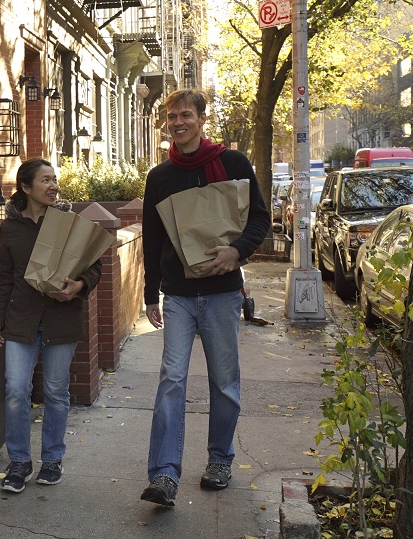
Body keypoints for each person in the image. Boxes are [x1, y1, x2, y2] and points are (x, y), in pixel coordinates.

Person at [140, 89, 270, 506]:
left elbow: (259, 218)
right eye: (171, 116)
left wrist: (238, 251)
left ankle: (219, 461)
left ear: (200, 119)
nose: (178, 122)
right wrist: (149, 295)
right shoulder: (159, 177)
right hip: (177, 294)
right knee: (171, 381)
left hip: (221, 294)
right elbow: (152, 237)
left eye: (186, 115)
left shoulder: (231, 164)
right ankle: (163, 475)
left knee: (224, 383)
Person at [0, 158, 102, 494]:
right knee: (15, 392)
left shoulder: (69, 223)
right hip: (20, 321)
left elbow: (93, 266)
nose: (53, 186)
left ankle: (52, 460)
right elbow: (3, 277)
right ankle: (19, 463)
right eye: (45, 180)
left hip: (60, 321)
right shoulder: (10, 229)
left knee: (55, 393)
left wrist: (80, 285)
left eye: (55, 180)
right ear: (26, 188)